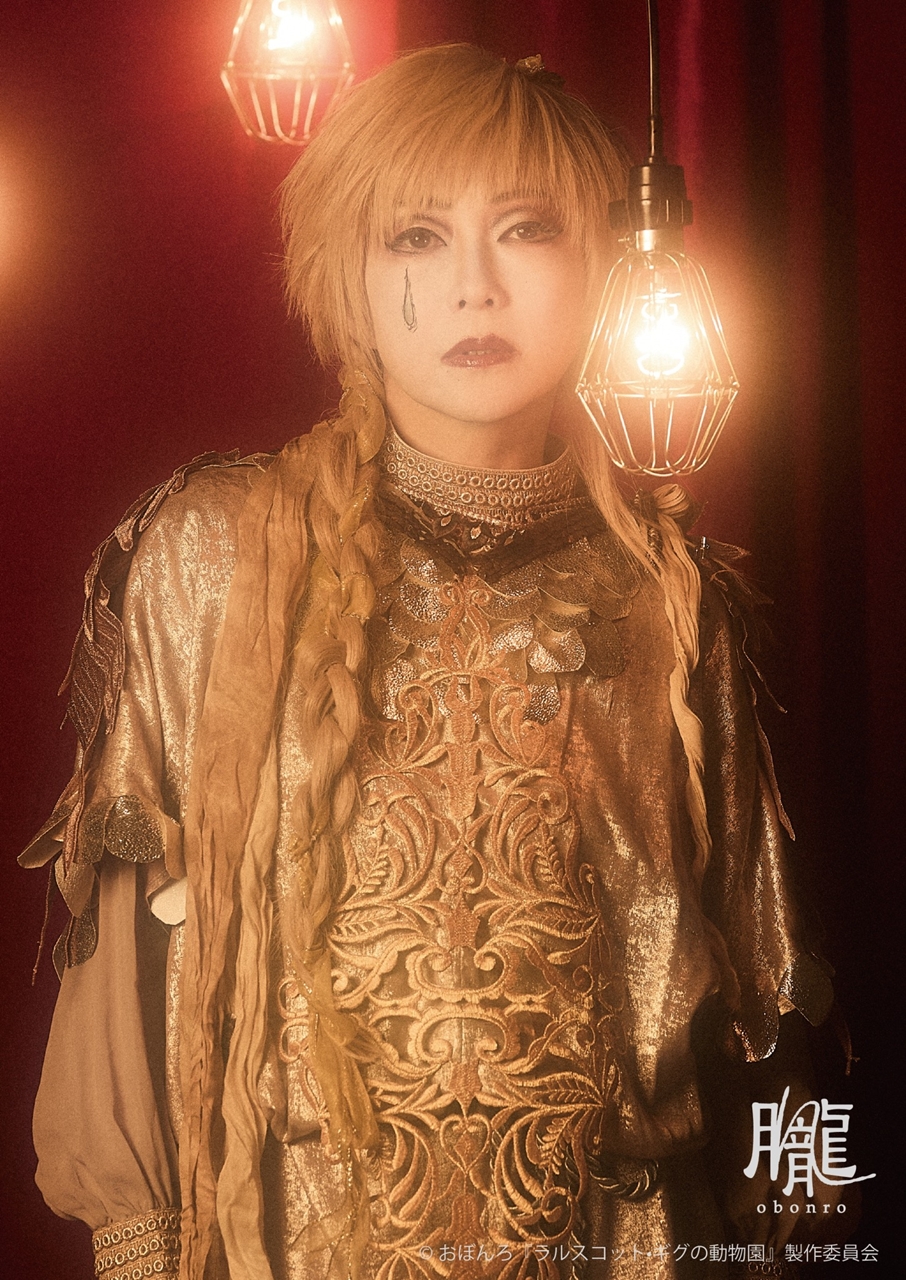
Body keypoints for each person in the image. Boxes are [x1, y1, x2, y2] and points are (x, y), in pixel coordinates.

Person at [23, 43, 834, 1280]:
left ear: (603, 264)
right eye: (415, 237)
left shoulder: (674, 597)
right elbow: (125, 970)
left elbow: (771, 1015)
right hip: (302, 1241)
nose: (474, 289)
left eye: (526, 230)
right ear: (344, 276)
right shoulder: (213, 552)